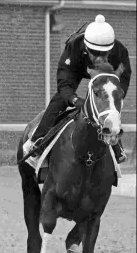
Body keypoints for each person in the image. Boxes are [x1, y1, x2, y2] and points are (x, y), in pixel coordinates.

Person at [24, 14, 131, 163]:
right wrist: (73, 99)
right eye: (94, 52)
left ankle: (116, 145)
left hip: (106, 72)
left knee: (109, 104)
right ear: (86, 46)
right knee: (60, 100)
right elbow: (64, 82)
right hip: (77, 68)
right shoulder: (74, 47)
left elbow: (124, 79)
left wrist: (115, 97)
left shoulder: (119, 51)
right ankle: (37, 140)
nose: (98, 57)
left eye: (104, 53)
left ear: (110, 49)